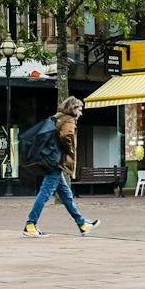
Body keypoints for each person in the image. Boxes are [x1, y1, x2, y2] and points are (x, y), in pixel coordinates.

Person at [23, 96, 98, 237]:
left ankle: (82, 224)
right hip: (56, 162)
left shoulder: (57, 117)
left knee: (66, 195)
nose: (81, 113)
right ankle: (30, 225)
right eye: (80, 110)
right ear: (73, 109)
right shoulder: (69, 120)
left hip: (52, 160)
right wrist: (69, 151)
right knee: (45, 193)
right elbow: (65, 137)